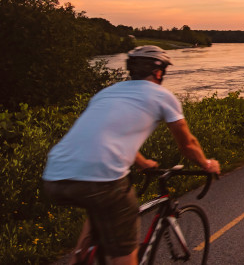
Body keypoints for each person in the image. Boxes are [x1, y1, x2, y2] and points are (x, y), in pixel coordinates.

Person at [42, 45, 221, 265]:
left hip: (55, 175)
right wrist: (207, 163)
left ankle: (80, 256)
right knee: (124, 250)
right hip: (101, 179)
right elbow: (188, 145)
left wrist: (143, 162)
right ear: (159, 72)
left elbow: (106, 134)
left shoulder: (107, 92)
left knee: (98, 206)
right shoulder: (162, 96)